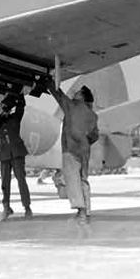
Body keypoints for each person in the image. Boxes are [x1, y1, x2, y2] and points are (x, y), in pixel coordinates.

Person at [46, 81, 99, 224]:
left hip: (70, 148)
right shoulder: (93, 115)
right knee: (83, 179)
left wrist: (48, 82)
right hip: (84, 150)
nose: (74, 94)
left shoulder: (72, 106)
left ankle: (81, 213)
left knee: (72, 180)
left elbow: (59, 95)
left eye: (77, 92)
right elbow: (95, 136)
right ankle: (86, 212)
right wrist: (85, 142)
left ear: (81, 96)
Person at [0, 93, 32, 221]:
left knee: (21, 181)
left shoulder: (15, 117)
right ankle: (6, 207)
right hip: (5, 154)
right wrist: (3, 110)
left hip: (17, 152)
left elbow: (21, 106)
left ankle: (27, 207)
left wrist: (17, 96)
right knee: (5, 183)